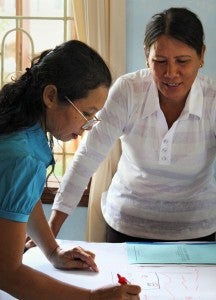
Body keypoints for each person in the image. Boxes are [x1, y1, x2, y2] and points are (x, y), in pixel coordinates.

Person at [48, 7, 216, 243]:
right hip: (127, 227)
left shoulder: (212, 100)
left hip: (198, 231)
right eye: (160, 61)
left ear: (202, 56)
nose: (171, 73)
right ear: (146, 55)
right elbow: (87, 158)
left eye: (182, 61)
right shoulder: (128, 91)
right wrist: (49, 235)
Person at [0, 40, 141, 299]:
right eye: (86, 113)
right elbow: (8, 272)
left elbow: (20, 197)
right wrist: (91, 298)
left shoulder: (22, 129)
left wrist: (52, 251)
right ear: (51, 96)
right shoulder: (24, 156)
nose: (89, 125)